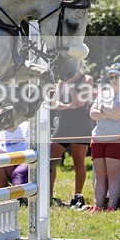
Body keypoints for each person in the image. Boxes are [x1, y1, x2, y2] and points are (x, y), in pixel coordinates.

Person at [0, 105, 66, 200]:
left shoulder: (28, 126)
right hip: (8, 163)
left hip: (27, 161)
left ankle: (17, 198)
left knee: (18, 172)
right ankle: (5, 195)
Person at [88, 62, 120, 212]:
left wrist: (102, 108)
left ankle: (111, 207)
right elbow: (92, 113)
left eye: (117, 76)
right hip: (99, 139)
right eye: (111, 77)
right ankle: (97, 206)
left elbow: (117, 114)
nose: (114, 80)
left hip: (119, 139)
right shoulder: (104, 94)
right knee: (100, 176)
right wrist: (109, 112)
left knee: (113, 174)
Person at [52, 63, 95, 210]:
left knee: (78, 161)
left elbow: (80, 101)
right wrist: (68, 106)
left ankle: (77, 195)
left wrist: (70, 87)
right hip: (64, 122)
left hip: (81, 124)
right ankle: (49, 195)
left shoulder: (87, 79)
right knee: (51, 158)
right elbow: (54, 103)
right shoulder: (61, 81)